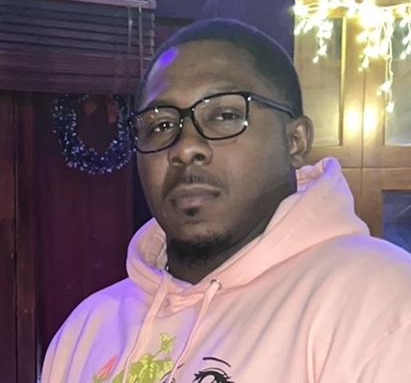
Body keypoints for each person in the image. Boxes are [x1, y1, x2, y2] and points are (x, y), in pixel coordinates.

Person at [42, 19, 411, 383]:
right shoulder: (87, 330)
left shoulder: (382, 305)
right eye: (161, 125)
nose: (185, 148)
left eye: (225, 115)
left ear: (295, 141)